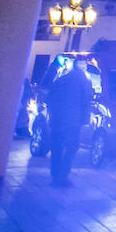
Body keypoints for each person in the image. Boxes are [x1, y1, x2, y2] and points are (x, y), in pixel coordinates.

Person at [45, 59, 94, 187]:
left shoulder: (62, 79)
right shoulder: (84, 81)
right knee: (72, 147)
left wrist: (53, 115)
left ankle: (55, 176)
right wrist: (84, 120)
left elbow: (49, 98)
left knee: (57, 147)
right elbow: (87, 100)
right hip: (73, 121)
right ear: (82, 67)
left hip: (57, 120)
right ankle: (62, 176)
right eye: (84, 64)